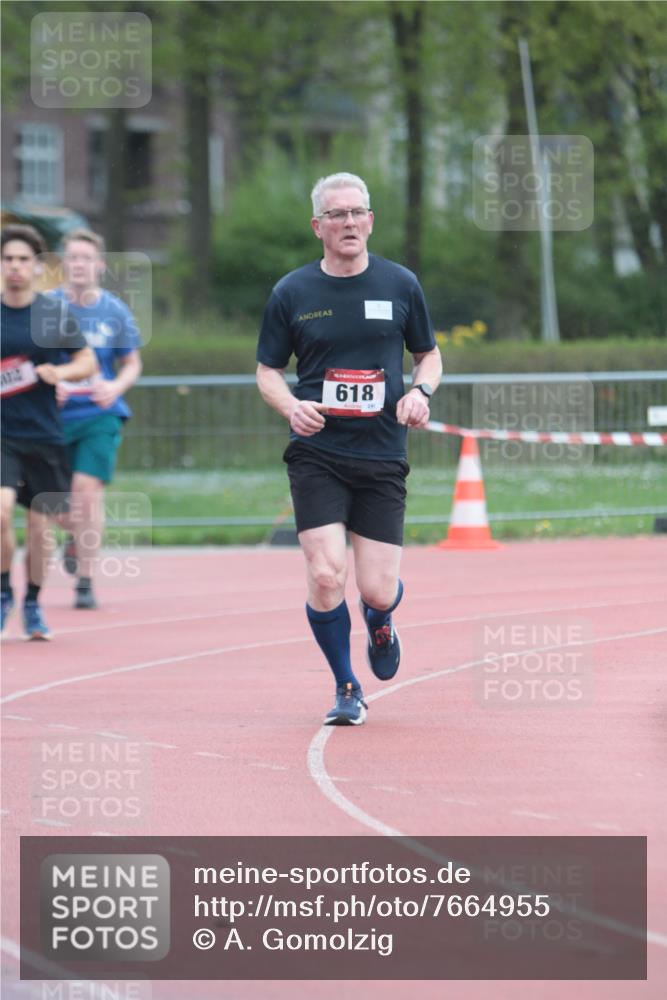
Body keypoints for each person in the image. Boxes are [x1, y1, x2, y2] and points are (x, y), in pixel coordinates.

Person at [256, 172, 442, 726]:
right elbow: (267, 371)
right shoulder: (292, 293)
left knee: (378, 589)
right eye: (336, 215)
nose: (349, 223)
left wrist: (419, 391)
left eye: (357, 212)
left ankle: (380, 620)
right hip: (318, 451)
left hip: (382, 452)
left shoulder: (401, 284)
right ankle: (346, 686)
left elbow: (429, 355)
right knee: (325, 574)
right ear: (318, 226)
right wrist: (291, 406)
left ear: (371, 221)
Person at [1, 224, 96, 639]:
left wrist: (60, 371)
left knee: (40, 531)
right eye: (8, 259)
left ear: (37, 267)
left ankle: (33, 603)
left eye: (23, 259)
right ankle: (4, 592)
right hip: (2, 434)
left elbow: (87, 361)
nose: (15, 267)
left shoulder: (52, 314)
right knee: (1, 513)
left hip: (43, 435)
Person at [50, 228, 143, 609]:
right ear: (62, 264)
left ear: (99, 266)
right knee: (52, 505)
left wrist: (115, 387)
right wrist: (49, 382)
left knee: (88, 494)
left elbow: (132, 363)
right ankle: (73, 539)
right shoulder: (46, 308)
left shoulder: (114, 310)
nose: (79, 265)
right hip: (53, 418)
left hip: (99, 415)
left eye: (86, 258)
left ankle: (85, 582)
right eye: (72, 257)